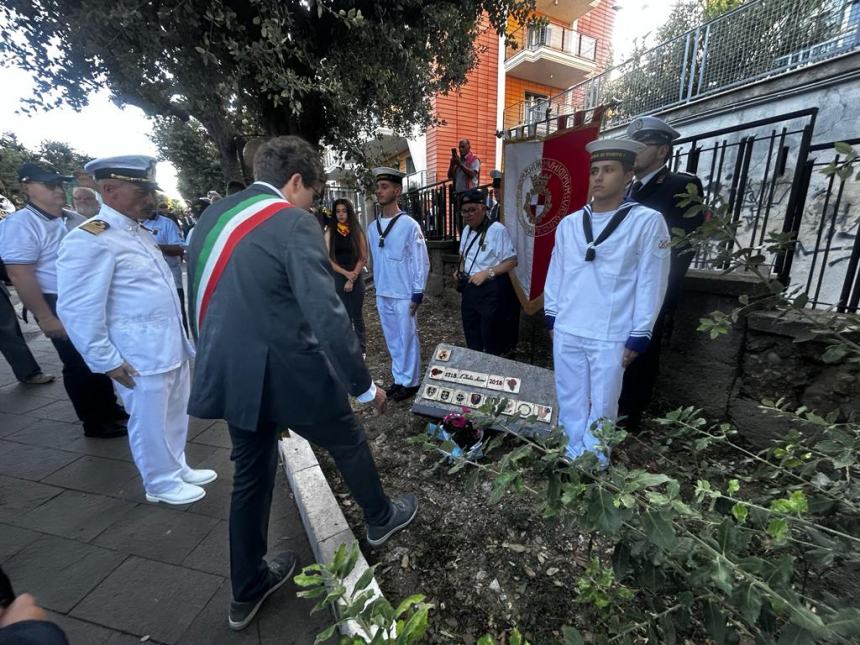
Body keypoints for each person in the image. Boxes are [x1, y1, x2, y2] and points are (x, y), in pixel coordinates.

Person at [186, 136, 417, 631]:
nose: (313, 202)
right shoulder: (291, 222)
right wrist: (361, 386)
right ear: (295, 182)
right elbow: (328, 316)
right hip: (288, 372)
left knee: (249, 478)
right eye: (312, 192)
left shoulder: (209, 219)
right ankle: (380, 518)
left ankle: (246, 588)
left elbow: (196, 300)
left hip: (232, 376)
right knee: (347, 438)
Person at [57, 155, 215, 504]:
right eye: (142, 190)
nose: (151, 198)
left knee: (174, 410)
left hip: (167, 344)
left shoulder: (137, 231)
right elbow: (78, 308)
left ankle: (176, 466)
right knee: (147, 419)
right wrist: (105, 359)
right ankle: (158, 482)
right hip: (137, 353)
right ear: (109, 190)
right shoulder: (91, 238)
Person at [544, 139, 671, 463]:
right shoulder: (570, 224)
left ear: (628, 174)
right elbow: (557, 273)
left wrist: (641, 332)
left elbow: (651, 281)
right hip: (569, 326)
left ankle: (595, 461)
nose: (599, 177)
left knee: (603, 403)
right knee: (570, 397)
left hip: (610, 331)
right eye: (595, 170)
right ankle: (572, 453)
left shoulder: (646, 221)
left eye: (609, 170)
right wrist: (552, 317)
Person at [0, 163, 126, 438]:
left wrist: (96, 193)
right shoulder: (21, 224)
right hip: (57, 300)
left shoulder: (73, 218)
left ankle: (110, 409)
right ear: (27, 187)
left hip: (87, 299)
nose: (57, 189)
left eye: (59, 183)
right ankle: (95, 422)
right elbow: (20, 273)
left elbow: (111, 226)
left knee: (96, 356)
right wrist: (45, 316)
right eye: (48, 184)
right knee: (78, 364)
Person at [618, 116, 706, 431]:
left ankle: (628, 420)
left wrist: (658, 297)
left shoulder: (680, 186)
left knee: (640, 355)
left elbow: (678, 249)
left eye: (643, 144)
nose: (634, 152)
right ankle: (610, 407)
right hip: (619, 289)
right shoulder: (627, 188)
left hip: (649, 290)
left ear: (663, 151)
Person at [366, 167, 430, 402]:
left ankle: (411, 382)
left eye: (384, 187)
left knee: (407, 337)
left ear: (397, 190)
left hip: (404, 292)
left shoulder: (409, 225)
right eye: (378, 187)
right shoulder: (373, 228)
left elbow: (420, 260)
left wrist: (417, 293)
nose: (379, 191)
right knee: (392, 338)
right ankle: (399, 378)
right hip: (383, 291)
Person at [454, 188, 518, 355]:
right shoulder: (467, 230)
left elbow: (511, 261)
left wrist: (487, 273)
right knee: (471, 334)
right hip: (469, 289)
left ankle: (492, 373)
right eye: (464, 211)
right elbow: (463, 255)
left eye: (472, 210)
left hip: (490, 291)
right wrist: (460, 270)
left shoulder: (497, 230)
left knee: (491, 338)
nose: (468, 215)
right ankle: (476, 371)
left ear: (483, 208)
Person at [323, 198, 368, 355]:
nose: (341, 214)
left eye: (344, 211)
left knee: (357, 315)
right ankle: (348, 350)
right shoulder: (330, 232)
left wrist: (352, 277)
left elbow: (363, 257)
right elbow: (327, 259)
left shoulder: (356, 230)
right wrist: (345, 275)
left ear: (349, 212)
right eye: (338, 211)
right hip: (339, 276)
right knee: (343, 315)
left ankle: (361, 350)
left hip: (356, 275)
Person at [145, 201, 189, 333]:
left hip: (171, 282)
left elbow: (179, 248)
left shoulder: (167, 223)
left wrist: (151, 247)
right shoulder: (128, 226)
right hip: (145, 285)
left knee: (178, 321)